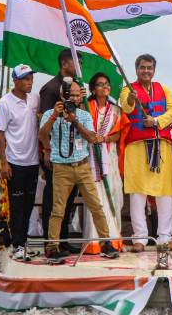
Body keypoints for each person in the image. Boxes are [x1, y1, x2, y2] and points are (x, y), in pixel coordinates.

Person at [39, 79, 119, 262]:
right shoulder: (50, 114)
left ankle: (106, 244)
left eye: (77, 95)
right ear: (62, 96)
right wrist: (54, 117)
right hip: (61, 168)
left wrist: (75, 121)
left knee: (96, 207)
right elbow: (41, 136)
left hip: (82, 167)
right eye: (71, 95)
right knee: (57, 210)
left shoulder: (83, 115)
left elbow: (92, 138)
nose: (74, 99)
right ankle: (52, 248)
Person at [119, 54, 172, 252]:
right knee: (137, 193)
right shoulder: (128, 89)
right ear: (136, 69)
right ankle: (140, 239)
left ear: (154, 70)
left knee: (165, 193)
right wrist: (130, 98)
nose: (146, 71)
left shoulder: (163, 89)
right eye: (142, 67)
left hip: (161, 146)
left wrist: (155, 121)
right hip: (136, 146)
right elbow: (126, 108)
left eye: (150, 67)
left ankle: (164, 238)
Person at [37, 49, 87, 255]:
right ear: (65, 64)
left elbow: (81, 118)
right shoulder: (50, 89)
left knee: (69, 200)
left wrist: (81, 99)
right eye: (77, 63)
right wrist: (46, 151)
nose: (80, 67)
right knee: (53, 200)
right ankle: (51, 243)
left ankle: (64, 240)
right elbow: (43, 121)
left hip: (74, 154)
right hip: (54, 154)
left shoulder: (77, 88)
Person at [0, 64, 41, 261]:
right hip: (14, 162)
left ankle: (24, 243)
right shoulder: (4, 103)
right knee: (16, 205)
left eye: (31, 78)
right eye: (25, 79)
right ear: (15, 80)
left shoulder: (35, 98)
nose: (29, 82)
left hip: (33, 161)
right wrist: (3, 163)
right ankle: (17, 246)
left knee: (29, 204)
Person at [84, 72, 124, 254]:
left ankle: (113, 239)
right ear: (93, 89)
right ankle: (95, 242)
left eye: (107, 83)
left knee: (113, 195)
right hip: (90, 156)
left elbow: (118, 134)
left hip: (109, 156)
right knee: (95, 197)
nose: (105, 86)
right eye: (100, 84)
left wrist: (103, 138)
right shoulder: (85, 107)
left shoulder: (115, 110)